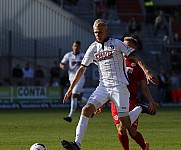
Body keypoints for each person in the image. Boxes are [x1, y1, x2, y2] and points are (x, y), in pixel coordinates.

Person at [61, 19, 159, 150]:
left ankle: (140, 108)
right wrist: (71, 88)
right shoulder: (92, 48)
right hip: (103, 87)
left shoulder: (117, 43)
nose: (97, 34)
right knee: (86, 110)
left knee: (125, 124)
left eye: (100, 32)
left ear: (106, 31)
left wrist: (146, 72)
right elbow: (81, 69)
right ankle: (77, 144)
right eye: (95, 32)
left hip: (119, 87)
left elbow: (135, 56)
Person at [96, 37, 158, 150]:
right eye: (124, 45)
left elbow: (143, 87)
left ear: (134, 48)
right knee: (121, 128)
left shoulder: (137, 65)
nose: (125, 48)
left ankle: (144, 147)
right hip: (115, 99)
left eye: (129, 46)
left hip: (131, 100)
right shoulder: (115, 60)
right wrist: (100, 102)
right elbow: (106, 82)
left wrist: (151, 101)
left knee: (132, 131)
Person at [60, 41, 86, 123]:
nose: (76, 48)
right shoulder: (68, 55)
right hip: (71, 78)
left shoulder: (83, 55)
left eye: (77, 46)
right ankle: (90, 106)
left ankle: (70, 116)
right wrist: (62, 66)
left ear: (80, 47)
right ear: (72, 46)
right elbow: (62, 63)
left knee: (74, 95)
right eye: (75, 46)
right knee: (78, 97)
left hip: (80, 78)